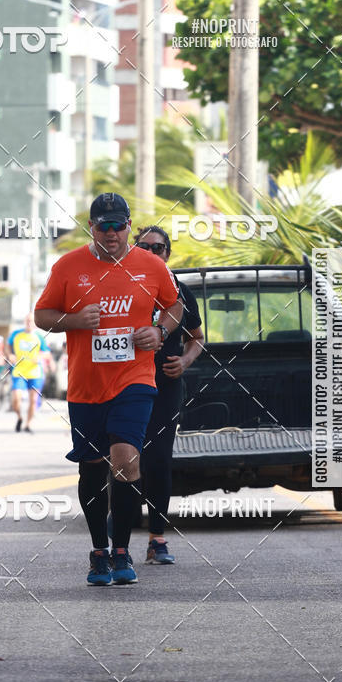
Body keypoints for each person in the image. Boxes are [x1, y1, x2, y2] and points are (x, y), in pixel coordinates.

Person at [34, 192, 182, 586]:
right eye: (104, 226)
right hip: (86, 387)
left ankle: (121, 550)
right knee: (92, 468)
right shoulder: (68, 267)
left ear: (129, 226)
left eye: (119, 226)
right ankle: (98, 550)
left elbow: (175, 306)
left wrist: (159, 330)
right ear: (92, 228)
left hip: (135, 378)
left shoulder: (151, 266)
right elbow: (42, 316)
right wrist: (74, 320)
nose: (112, 233)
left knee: (126, 459)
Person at [134, 226, 204, 564]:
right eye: (143, 247)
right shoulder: (122, 286)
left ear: (168, 253)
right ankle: (118, 540)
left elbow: (197, 337)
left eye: (158, 248)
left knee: (159, 458)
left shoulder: (180, 290)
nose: (151, 253)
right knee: (124, 455)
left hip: (165, 385)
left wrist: (184, 361)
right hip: (124, 383)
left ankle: (157, 538)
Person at [6, 314, 53, 433]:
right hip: (19, 371)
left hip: (35, 373)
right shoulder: (16, 334)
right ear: (24, 321)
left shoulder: (39, 336)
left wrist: (40, 357)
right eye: (27, 320)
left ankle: (28, 424)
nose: (29, 323)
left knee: (33, 400)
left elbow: (47, 353)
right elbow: (7, 345)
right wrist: (10, 354)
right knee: (16, 399)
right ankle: (19, 417)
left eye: (31, 321)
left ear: (35, 323)